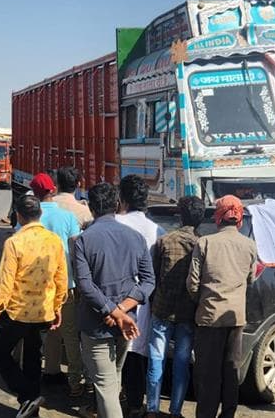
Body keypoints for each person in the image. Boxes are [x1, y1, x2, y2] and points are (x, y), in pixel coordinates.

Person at [73, 182, 155, 418]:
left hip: (97, 324)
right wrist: (121, 311)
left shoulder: (84, 240)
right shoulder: (136, 237)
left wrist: (114, 311)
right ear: (117, 205)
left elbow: (86, 286)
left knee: (107, 385)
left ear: (90, 208)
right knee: (112, 378)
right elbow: (148, 281)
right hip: (126, 324)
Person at [0, 195, 68, 418]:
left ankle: (27, 394)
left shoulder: (14, 242)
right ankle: (31, 409)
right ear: (39, 214)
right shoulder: (54, 240)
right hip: (44, 310)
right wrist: (58, 306)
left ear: (19, 216)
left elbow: (5, 282)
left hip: (17, 311)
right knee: (33, 356)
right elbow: (61, 277)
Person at [188, 195, 257, 418]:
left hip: (209, 317)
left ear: (218, 217)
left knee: (208, 374)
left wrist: (202, 301)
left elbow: (192, 283)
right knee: (231, 370)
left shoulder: (205, 242)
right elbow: (251, 279)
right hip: (235, 317)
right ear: (238, 218)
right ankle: (228, 414)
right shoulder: (249, 245)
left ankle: (206, 414)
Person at [22, 173, 85, 395]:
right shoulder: (67, 217)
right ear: (52, 189)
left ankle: (46, 371)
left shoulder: (29, 216)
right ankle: (75, 382)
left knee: (37, 331)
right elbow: (76, 249)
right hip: (63, 283)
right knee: (68, 332)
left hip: (34, 284)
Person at [145, 196, 204, 418]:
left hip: (162, 309)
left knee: (156, 359)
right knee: (181, 363)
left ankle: (152, 408)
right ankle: (176, 410)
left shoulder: (164, 241)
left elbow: (154, 276)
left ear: (180, 216)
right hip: (188, 313)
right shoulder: (202, 244)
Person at [115, 174, 165, 417]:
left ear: (121, 199)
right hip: (143, 301)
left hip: (114, 299)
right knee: (136, 353)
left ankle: (108, 402)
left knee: (112, 354)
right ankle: (135, 404)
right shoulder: (158, 230)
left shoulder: (113, 223)